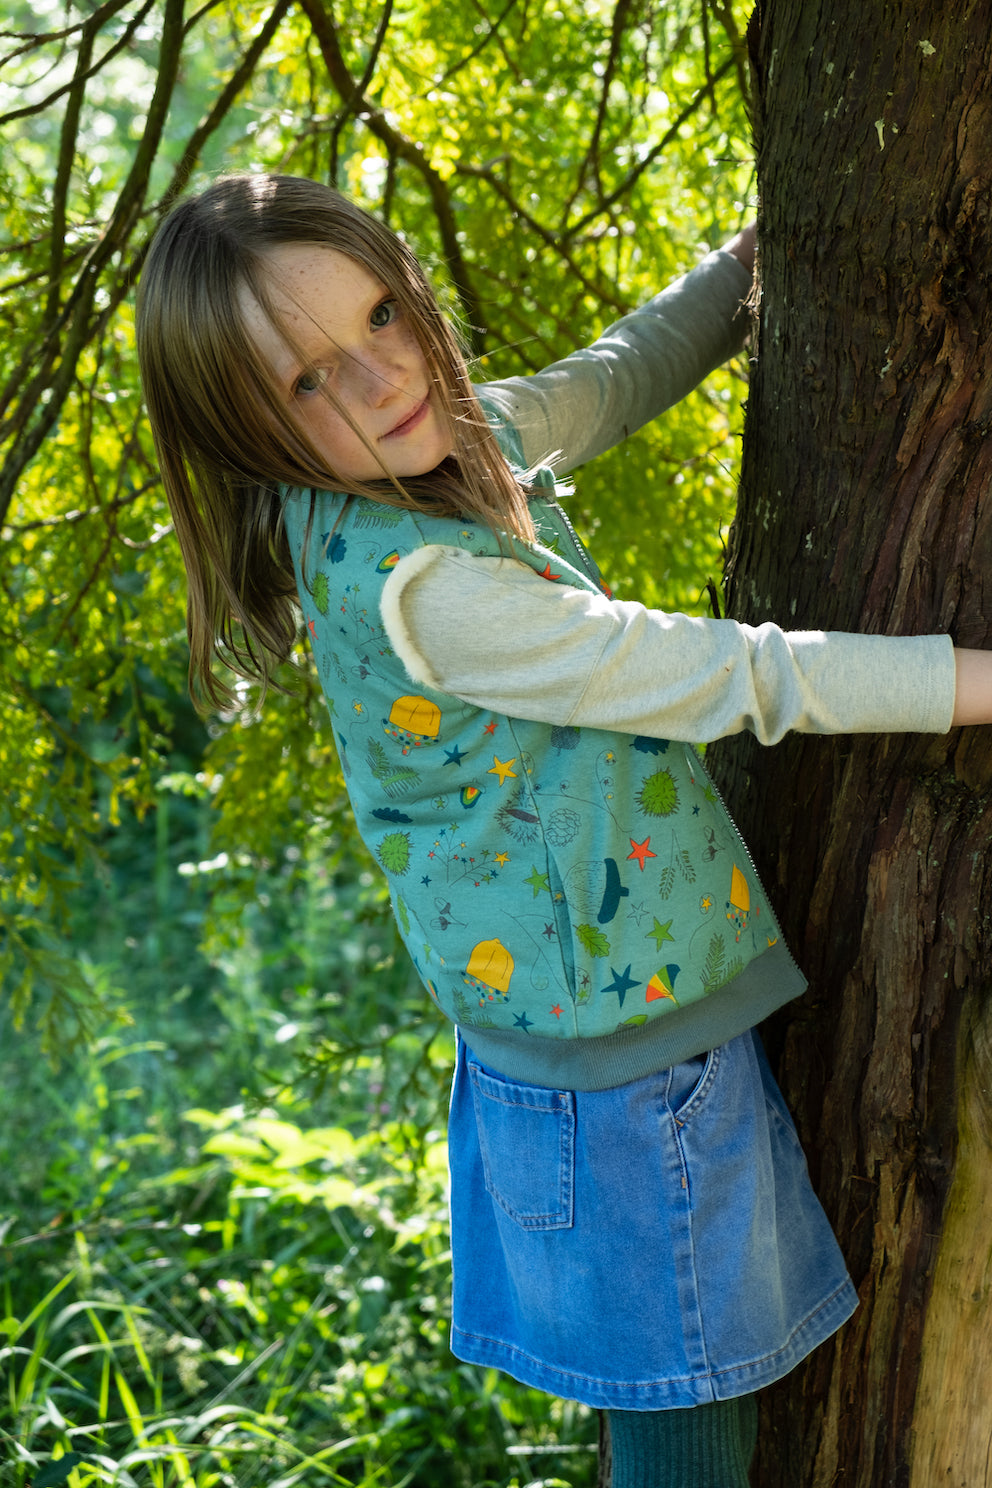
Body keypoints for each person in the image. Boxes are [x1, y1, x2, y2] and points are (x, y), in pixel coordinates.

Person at [136, 173, 992, 1487]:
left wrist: (751, 265)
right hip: (625, 1089)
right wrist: (977, 683)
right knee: (688, 1434)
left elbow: (612, 377)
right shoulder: (431, 593)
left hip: (595, 1044)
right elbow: (730, 675)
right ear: (246, 431)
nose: (380, 378)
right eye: (307, 381)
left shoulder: (435, 451)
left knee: (690, 1412)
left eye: (381, 315)